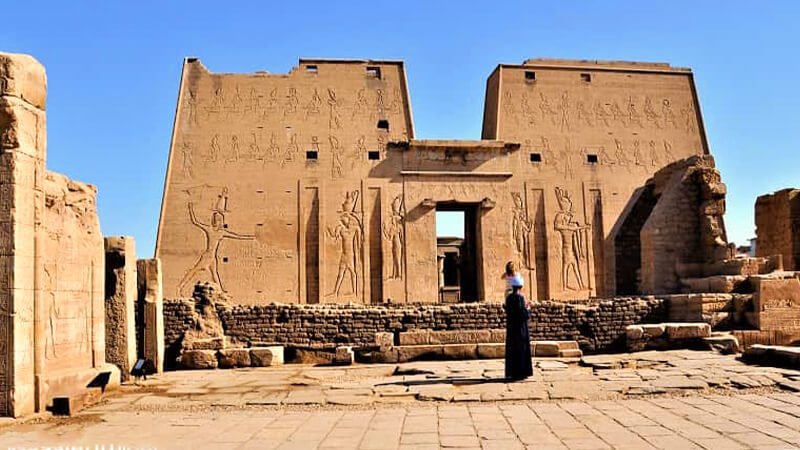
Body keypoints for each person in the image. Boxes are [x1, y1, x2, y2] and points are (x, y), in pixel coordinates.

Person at [504, 274, 533, 381]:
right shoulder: (520, 298)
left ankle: (512, 372)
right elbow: (522, 314)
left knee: (512, 349)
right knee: (521, 349)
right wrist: (528, 308)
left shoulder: (509, 298)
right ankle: (521, 372)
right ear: (520, 287)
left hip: (512, 328)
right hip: (520, 328)